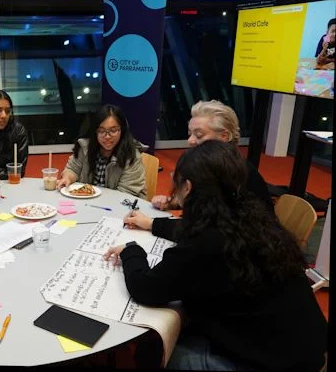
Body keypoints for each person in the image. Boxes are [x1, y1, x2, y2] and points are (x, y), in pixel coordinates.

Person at [104, 141, 327, 371]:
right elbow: (188, 230)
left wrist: (131, 251)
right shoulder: (250, 216)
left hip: (274, 362)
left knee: (155, 351)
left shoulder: (205, 244)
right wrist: (152, 225)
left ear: (188, 187)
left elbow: (147, 289)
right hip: (304, 345)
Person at [151, 99, 273, 211]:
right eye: (190, 134)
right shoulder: (209, 165)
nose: (190, 141)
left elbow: (206, 224)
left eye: (199, 135)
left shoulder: (232, 173)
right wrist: (173, 202)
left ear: (224, 137)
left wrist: (152, 224)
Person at [56, 104, 147, 198]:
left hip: (119, 206)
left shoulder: (132, 156)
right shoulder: (85, 147)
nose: (107, 136)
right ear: (95, 131)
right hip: (89, 203)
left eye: (113, 130)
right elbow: (72, 169)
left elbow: (126, 195)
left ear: (122, 130)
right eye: (101, 131)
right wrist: (67, 178)